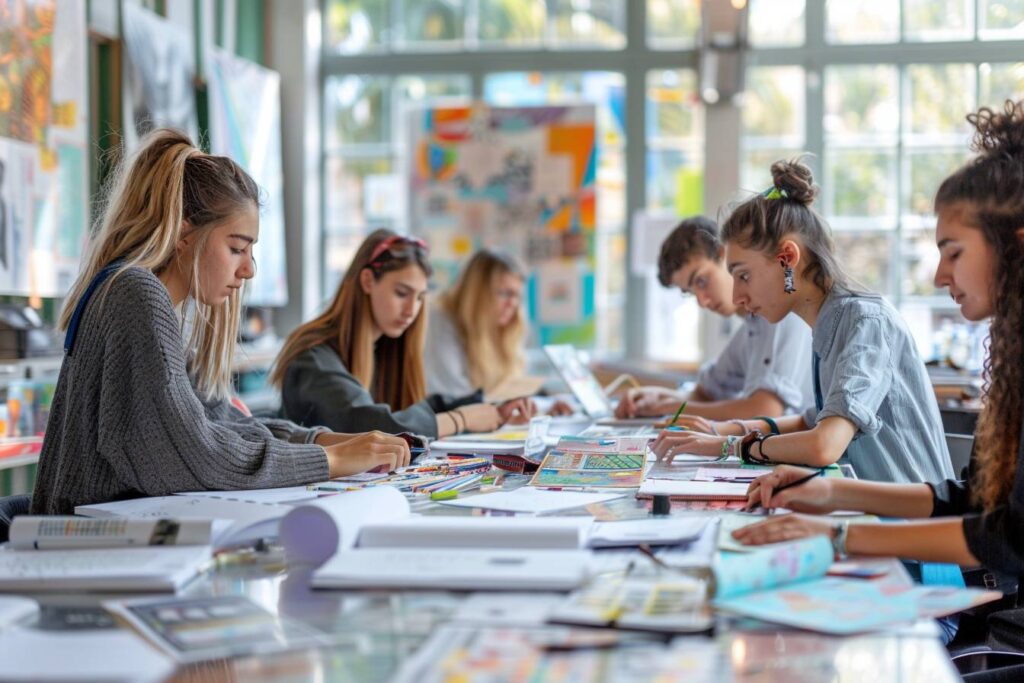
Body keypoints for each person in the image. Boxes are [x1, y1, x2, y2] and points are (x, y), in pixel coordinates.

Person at [31, 130, 409, 516]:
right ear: (183, 232)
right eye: (236, 248)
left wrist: (324, 441)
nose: (248, 269)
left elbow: (221, 422)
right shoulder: (136, 295)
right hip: (85, 552)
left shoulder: (154, 303)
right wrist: (330, 461)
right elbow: (195, 455)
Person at [733, 100, 1024, 578]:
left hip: (935, 582)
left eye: (953, 252)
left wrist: (839, 535)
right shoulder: (1011, 351)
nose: (937, 276)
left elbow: (1010, 540)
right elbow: (973, 495)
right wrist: (834, 493)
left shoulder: (857, 318)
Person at [652, 160, 953, 484]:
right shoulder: (828, 323)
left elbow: (824, 444)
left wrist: (728, 445)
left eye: (744, 275)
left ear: (787, 258)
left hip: (906, 523)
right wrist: (717, 432)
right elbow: (809, 421)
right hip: (864, 507)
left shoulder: (866, 323)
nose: (738, 295)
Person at [273, 229, 533, 439]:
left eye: (420, 297)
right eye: (401, 293)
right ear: (367, 281)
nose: (412, 310)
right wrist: (461, 419)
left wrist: (493, 409)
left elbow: (413, 411)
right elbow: (372, 426)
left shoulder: (384, 348)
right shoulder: (313, 358)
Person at [616, 216, 813, 422]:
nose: (702, 302)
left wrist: (675, 408)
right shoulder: (751, 329)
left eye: (701, 281)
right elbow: (706, 394)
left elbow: (765, 412)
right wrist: (657, 397)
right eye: (690, 292)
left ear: (725, 256)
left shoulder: (781, 314)